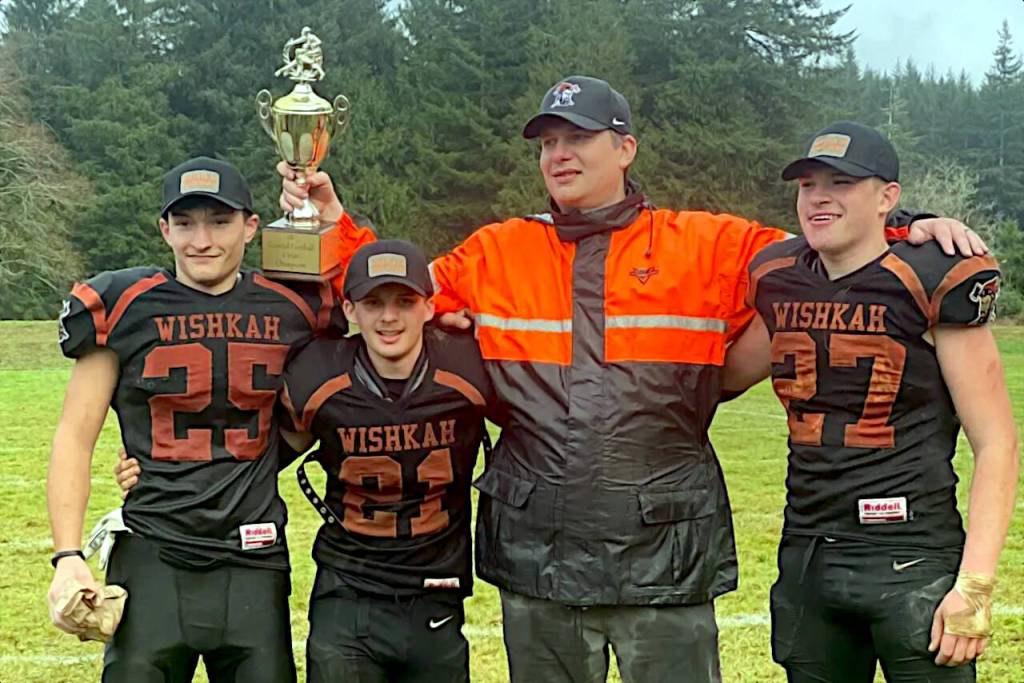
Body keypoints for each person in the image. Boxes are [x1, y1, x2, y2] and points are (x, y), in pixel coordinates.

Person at [278, 76, 988, 683]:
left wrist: (913, 227)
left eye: (578, 137)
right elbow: (395, 295)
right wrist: (333, 222)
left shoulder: (707, 245)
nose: (559, 154)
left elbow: (830, 248)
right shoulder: (498, 251)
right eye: (548, 142)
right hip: (538, 555)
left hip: (664, 558)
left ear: (625, 148)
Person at [734, 121, 1019, 682]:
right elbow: (718, 378)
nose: (819, 196)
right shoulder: (779, 276)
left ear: (887, 196)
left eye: (841, 182)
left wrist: (976, 584)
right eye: (808, 183)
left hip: (912, 552)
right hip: (808, 550)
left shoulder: (931, 276)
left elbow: (997, 442)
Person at [47, 156, 341, 683]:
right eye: (185, 223)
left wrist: (328, 220)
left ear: (252, 227)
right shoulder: (123, 305)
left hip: (251, 550)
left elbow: (376, 328)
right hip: (154, 547)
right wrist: (68, 554)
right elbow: (75, 435)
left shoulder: (295, 307)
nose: (201, 240)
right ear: (164, 229)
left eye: (219, 222)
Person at [277, 239, 493, 683]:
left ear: (430, 307)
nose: (389, 317)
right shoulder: (319, 376)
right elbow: (263, 452)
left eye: (404, 301)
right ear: (350, 310)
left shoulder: (469, 369)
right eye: (373, 302)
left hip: (435, 590)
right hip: (348, 590)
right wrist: (154, 464)